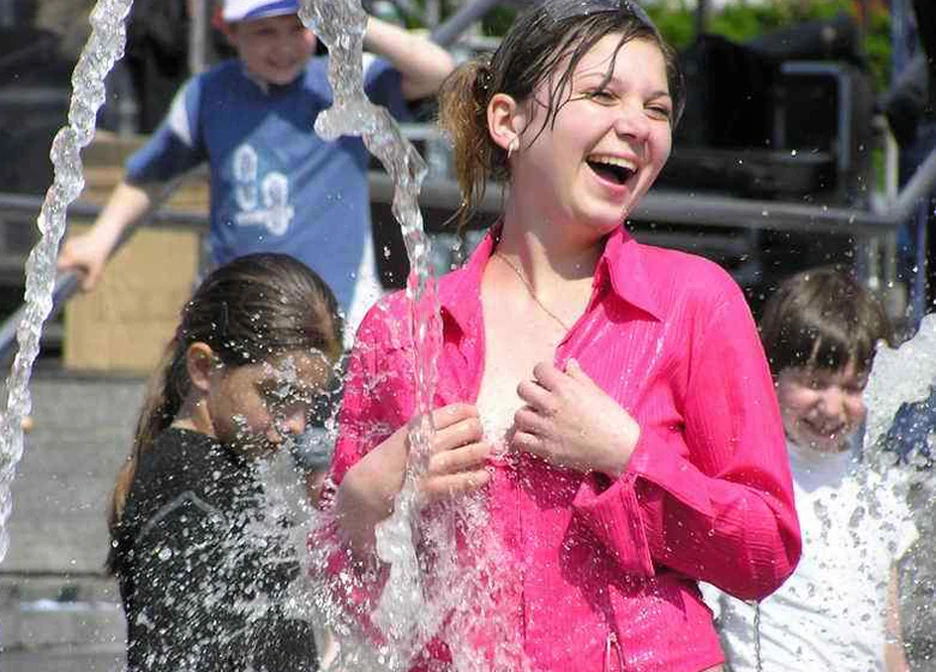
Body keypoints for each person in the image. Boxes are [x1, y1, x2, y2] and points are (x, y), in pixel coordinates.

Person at [322, 2, 801, 670]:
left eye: (657, 110)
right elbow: (341, 599)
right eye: (602, 94)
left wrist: (626, 455)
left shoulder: (695, 304)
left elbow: (765, 552)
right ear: (508, 120)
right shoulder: (403, 332)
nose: (636, 126)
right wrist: (361, 501)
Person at [56, 0, 454, 336]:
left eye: (295, 27)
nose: (283, 46)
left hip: (339, 318)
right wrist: (100, 241)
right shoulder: (206, 94)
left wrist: (348, 17)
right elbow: (151, 174)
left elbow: (438, 71)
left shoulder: (342, 82)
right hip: (237, 313)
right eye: (265, 32)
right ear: (230, 32)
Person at [107, 252, 343, 671]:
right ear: (204, 368)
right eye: (275, 395)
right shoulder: (183, 486)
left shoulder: (223, 468)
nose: (296, 424)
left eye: (307, 401)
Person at [711, 267, 917, 671]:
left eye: (853, 387)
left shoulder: (878, 494)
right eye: (815, 383)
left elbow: (889, 641)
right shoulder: (744, 481)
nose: (832, 407)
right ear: (769, 373)